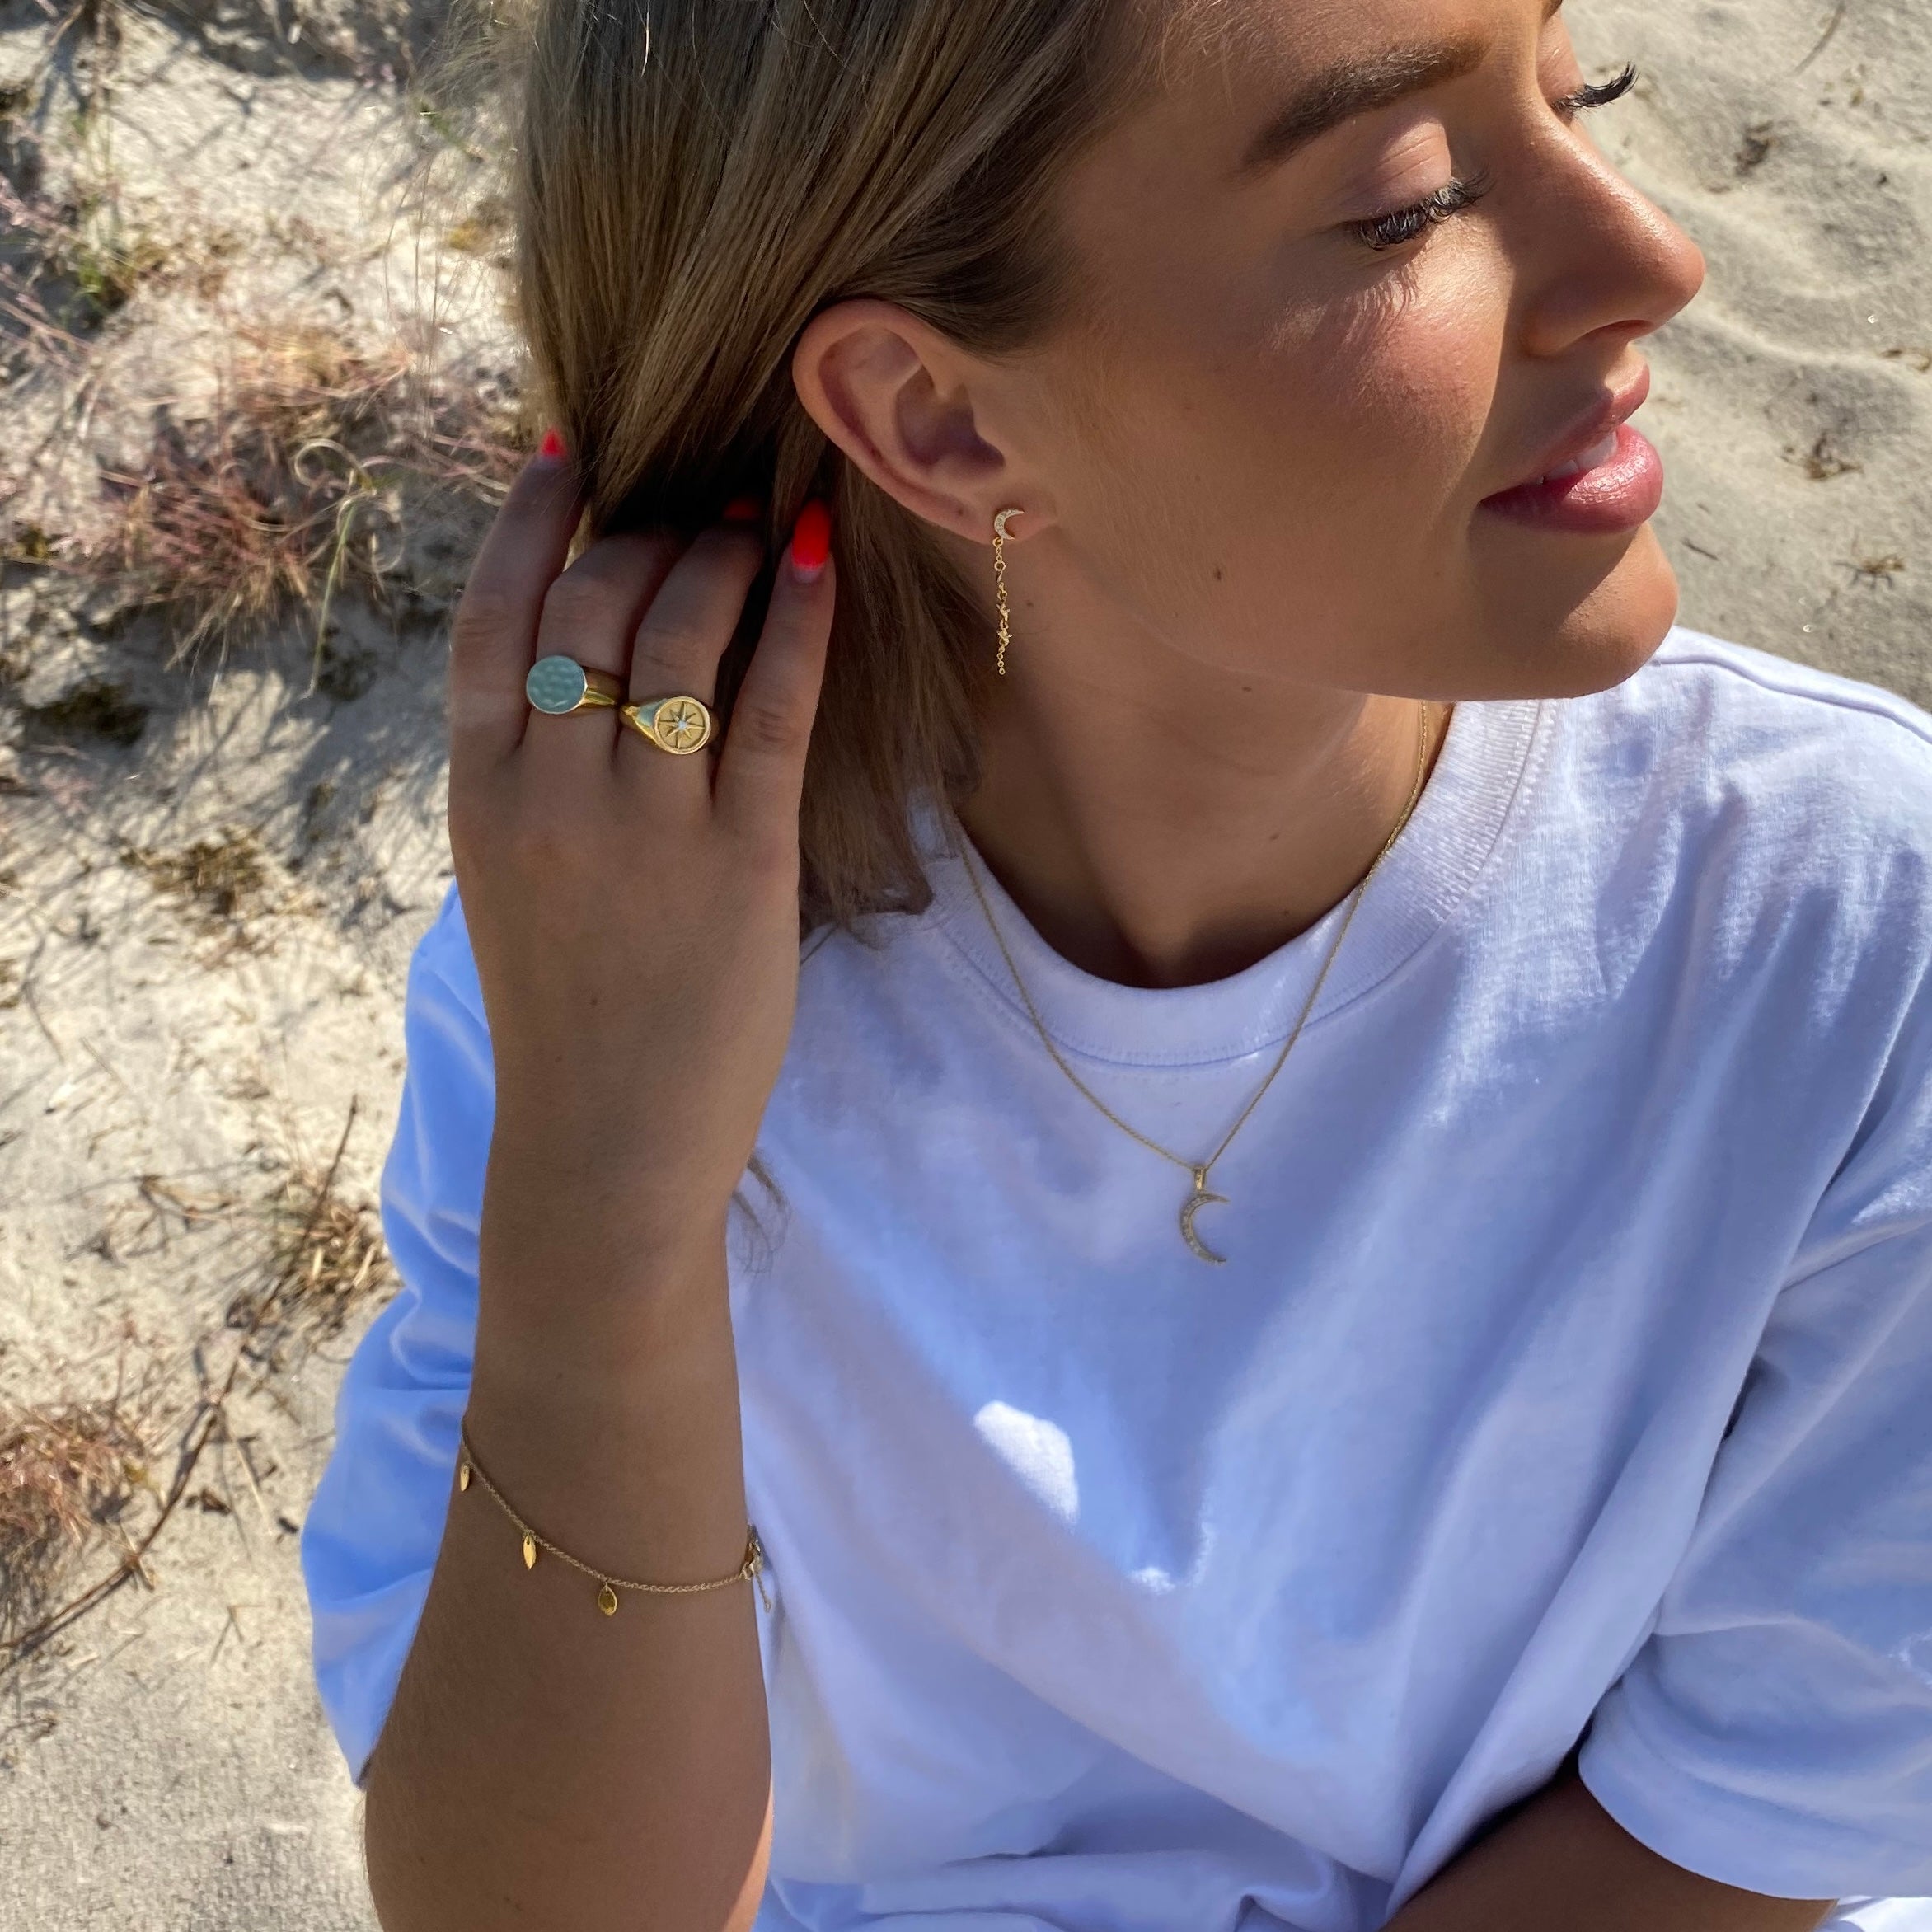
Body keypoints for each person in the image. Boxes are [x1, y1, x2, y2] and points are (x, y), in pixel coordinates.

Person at [298, 0, 1932, 1926]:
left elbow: (1737, 1824)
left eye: (1583, 92)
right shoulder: (620, 953)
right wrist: (609, 1210)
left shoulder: (1840, 928)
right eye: (1410, 198)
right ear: (936, 415)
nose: (1649, 258)